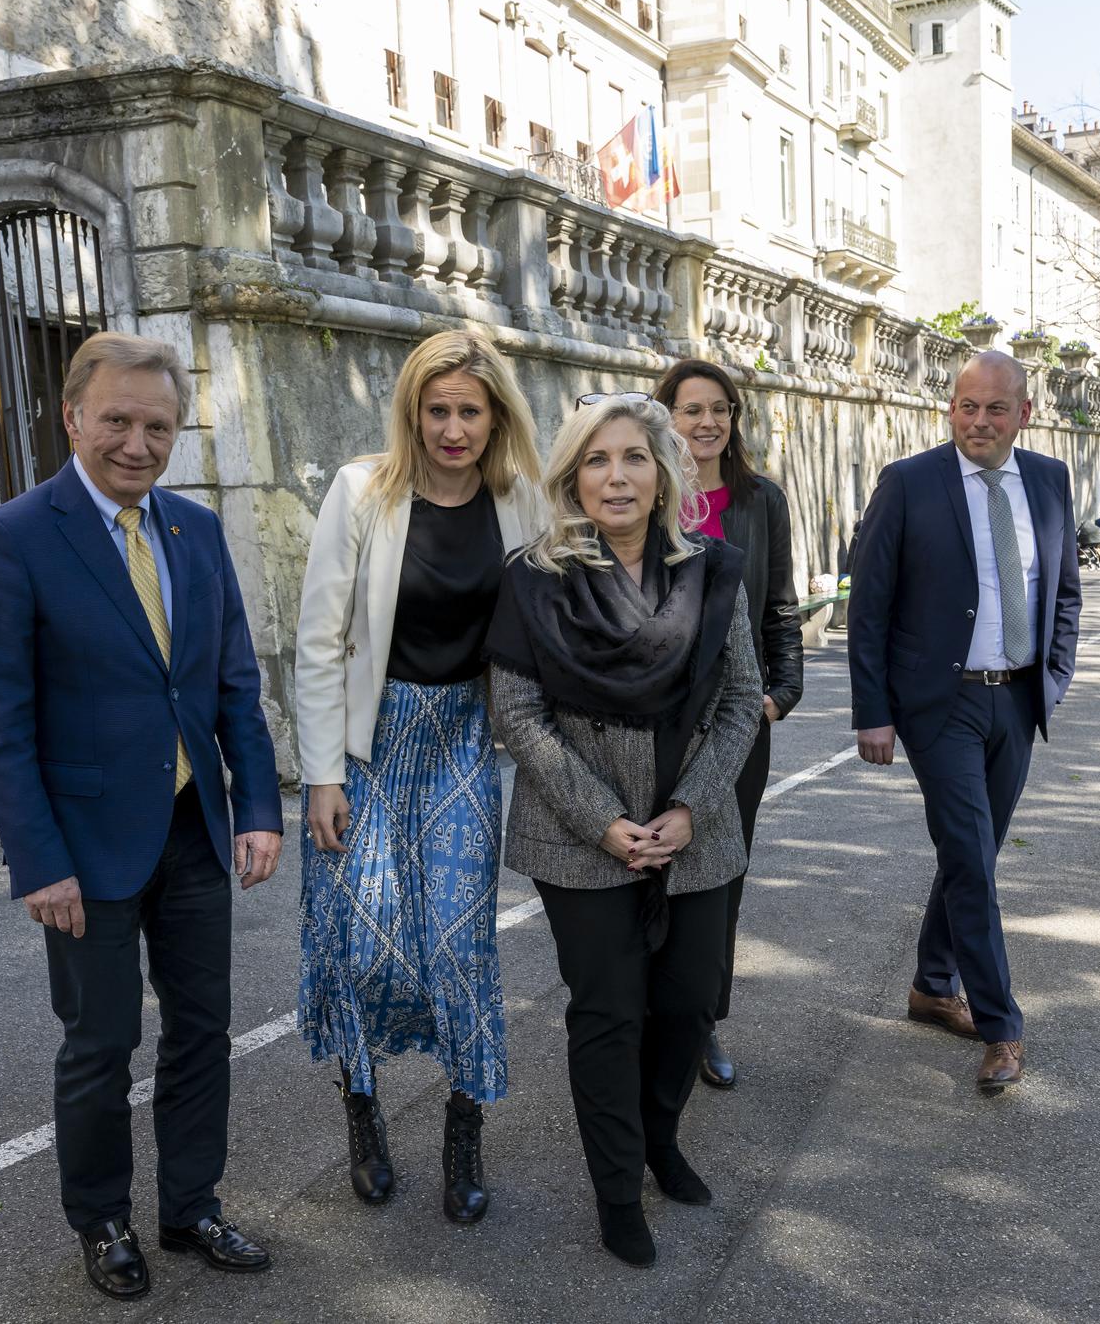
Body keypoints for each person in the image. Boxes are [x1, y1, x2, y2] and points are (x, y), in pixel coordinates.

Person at [0, 332, 284, 1302]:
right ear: (72, 419)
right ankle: (101, 1220)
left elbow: (233, 682)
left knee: (203, 1030)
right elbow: (0, 721)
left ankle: (191, 1205)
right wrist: (37, 860)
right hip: (84, 848)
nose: (137, 445)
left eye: (158, 426)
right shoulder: (15, 536)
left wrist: (256, 805)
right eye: (116, 421)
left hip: (192, 829)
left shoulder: (195, 530)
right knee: (100, 1044)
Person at [487, 394, 764, 1267]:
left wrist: (690, 809)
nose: (616, 477)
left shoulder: (712, 571)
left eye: (634, 458)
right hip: (580, 835)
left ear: (663, 473)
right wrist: (605, 820)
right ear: (573, 477)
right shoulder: (534, 577)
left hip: (694, 827)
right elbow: (519, 716)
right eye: (597, 460)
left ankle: (660, 1138)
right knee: (608, 1012)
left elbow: (740, 702)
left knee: (688, 1000)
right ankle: (616, 1188)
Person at [292, 331, 544, 1222]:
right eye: (436, 410)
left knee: (459, 945)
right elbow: (320, 640)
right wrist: (322, 775)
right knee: (360, 946)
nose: (452, 428)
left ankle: (463, 1131)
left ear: (495, 416)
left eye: (469, 411)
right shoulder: (363, 491)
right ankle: (362, 1109)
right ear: (412, 411)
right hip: (369, 744)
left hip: (463, 742)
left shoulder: (522, 501)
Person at [848, 352, 1082, 1093]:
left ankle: (930, 983)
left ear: (1024, 413)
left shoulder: (1049, 480)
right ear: (950, 407)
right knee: (974, 860)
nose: (978, 421)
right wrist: (873, 712)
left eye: (994, 409)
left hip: (1017, 699)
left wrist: (1052, 678)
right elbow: (868, 605)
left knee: (970, 853)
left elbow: (1063, 590)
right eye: (965, 406)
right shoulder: (908, 482)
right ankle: (1002, 1025)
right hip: (938, 704)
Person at [652, 358, 802, 1090]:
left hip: (739, 723)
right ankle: (647, 1013)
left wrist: (781, 694)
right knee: (649, 869)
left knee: (721, 878)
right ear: (667, 418)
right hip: (653, 723)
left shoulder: (760, 500)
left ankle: (703, 1019)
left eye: (720, 409)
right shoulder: (645, 492)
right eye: (692, 410)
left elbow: (781, 606)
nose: (708, 422)